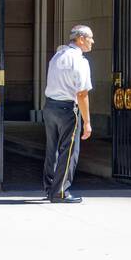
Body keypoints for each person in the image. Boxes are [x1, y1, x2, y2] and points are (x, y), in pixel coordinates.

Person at [42, 25, 93, 203]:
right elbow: (82, 94)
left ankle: (50, 188)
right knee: (69, 151)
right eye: (90, 38)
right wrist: (87, 122)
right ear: (80, 39)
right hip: (67, 109)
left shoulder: (58, 55)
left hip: (49, 106)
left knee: (52, 149)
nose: (92, 42)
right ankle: (60, 191)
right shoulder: (79, 61)